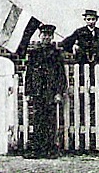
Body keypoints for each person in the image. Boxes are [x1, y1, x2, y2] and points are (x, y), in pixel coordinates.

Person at [24, 24, 67, 158]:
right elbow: (29, 73)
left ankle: (50, 149)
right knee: (37, 120)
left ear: (52, 36)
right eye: (44, 35)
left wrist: (59, 92)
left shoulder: (55, 53)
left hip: (50, 91)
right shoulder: (34, 53)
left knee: (51, 120)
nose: (46, 37)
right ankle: (37, 149)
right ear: (39, 36)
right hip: (37, 91)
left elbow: (61, 74)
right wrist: (28, 92)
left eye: (49, 35)